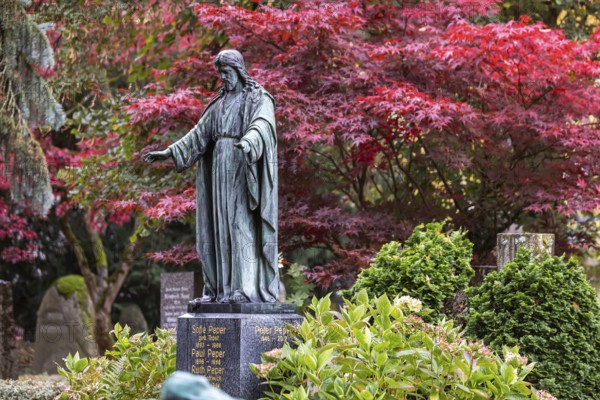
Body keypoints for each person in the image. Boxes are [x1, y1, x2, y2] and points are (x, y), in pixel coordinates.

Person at [144, 49, 278, 304]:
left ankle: (244, 289)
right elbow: (198, 134)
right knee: (216, 229)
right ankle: (219, 290)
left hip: (242, 165)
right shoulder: (219, 103)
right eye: (220, 74)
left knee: (240, 225)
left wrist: (249, 142)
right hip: (218, 169)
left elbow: (263, 124)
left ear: (239, 71)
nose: (224, 79)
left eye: (227, 73)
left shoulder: (257, 98)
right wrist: (170, 152)